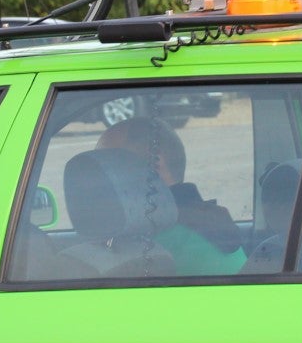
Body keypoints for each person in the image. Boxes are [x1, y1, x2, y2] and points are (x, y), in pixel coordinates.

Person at [95, 117, 245, 274]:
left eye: (108, 163)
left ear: (155, 163)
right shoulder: (208, 222)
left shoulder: (152, 245)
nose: (100, 177)